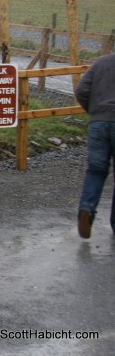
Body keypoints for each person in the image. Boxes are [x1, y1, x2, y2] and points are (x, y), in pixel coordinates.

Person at [75, 53, 115, 238]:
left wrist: (94, 112)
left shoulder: (101, 62)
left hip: (98, 123)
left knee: (96, 170)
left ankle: (87, 208)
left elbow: (81, 90)